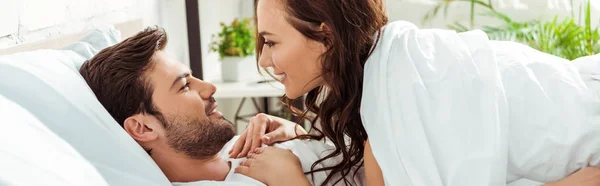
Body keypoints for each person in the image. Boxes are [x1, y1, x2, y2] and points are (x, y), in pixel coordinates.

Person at [228, 0, 600, 185]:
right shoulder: (383, 75)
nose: (265, 58)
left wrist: (293, 182)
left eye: (270, 41)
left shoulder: (400, 78)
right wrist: (302, 135)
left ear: (325, 37)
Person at [79, 26, 368, 186]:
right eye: (184, 86)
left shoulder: (238, 148)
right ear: (142, 127)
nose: (209, 87)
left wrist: (299, 134)